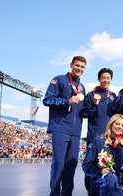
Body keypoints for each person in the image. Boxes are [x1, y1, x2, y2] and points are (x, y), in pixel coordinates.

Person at [43, 55, 87, 196]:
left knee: (71, 166)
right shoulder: (59, 79)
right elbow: (47, 100)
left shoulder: (82, 87)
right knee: (59, 164)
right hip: (60, 128)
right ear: (71, 65)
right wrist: (66, 101)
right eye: (77, 65)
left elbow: (82, 111)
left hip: (76, 131)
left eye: (82, 67)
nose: (79, 68)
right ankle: (54, 193)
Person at [80, 68, 117, 193]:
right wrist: (94, 105)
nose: (105, 80)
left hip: (108, 138)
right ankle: (91, 192)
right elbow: (84, 113)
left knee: (107, 165)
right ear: (99, 79)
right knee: (92, 165)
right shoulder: (91, 95)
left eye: (108, 78)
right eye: (103, 78)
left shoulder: (113, 96)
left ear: (111, 80)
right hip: (94, 136)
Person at [82, 114, 123, 196]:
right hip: (99, 180)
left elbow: (122, 167)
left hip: (117, 182)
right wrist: (100, 171)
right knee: (109, 179)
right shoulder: (98, 141)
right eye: (117, 124)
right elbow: (86, 165)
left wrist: (122, 148)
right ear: (111, 124)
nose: (120, 127)